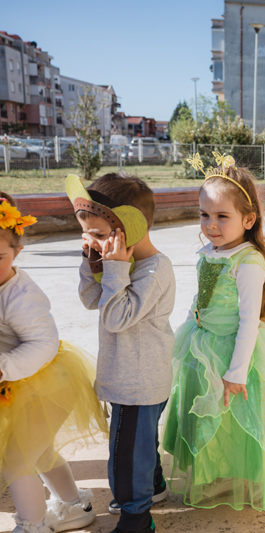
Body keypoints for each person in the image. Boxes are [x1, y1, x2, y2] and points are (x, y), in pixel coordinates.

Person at [161, 160, 265, 510]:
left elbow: (249, 322)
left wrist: (236, 372)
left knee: (236, 419)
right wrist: (189, 328)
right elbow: (200, 298)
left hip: (233, 351)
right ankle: (215, 472)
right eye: (204, 215)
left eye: (221, 216)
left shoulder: (247, 262)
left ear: (248, 220)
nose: (211, 225)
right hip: (201, 345)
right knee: (207, 417)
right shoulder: (211, 252)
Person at [75, 174, 176, 533]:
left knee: (125, 457)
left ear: (129, 227)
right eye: (86, 234)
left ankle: (136, 518)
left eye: (99, 234)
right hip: (132, 377)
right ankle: (154, 487)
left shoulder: (155, 270)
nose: (91, 240)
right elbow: (92, 300)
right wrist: (93, 262)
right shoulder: (119, 263)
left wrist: (115, 269)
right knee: (141, 445)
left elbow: (116, 317)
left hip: (139, 382)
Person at [1, 193, 107, 533]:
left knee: (16, 459)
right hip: (22, 381)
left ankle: (32, 525)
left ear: (17, 252)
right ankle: (75, 505)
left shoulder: (21, 296)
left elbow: (43, 344)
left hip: (47, 383)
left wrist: (4, 366)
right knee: (40, 451)